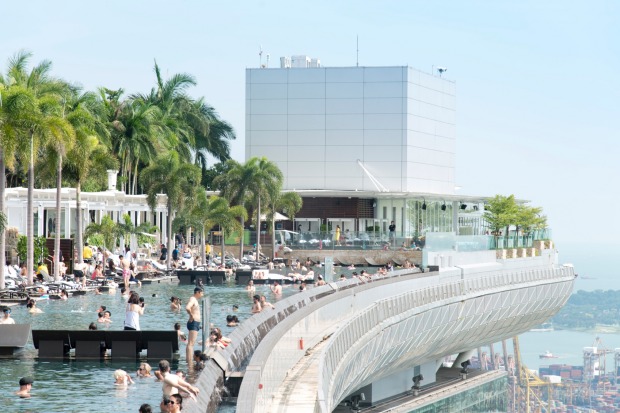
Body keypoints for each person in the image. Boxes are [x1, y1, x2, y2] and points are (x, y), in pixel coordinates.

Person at [185, 287, 204, 364]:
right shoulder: (192, 299)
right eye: (202, 293)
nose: (202, 295)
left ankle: (188, 360)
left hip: (195, 323)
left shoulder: (194, 300)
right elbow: (187, 307)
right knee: (191, 344)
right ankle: (189, 362)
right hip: (194, 322)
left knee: (191, 343)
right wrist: (191, 315)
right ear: (198, 292)